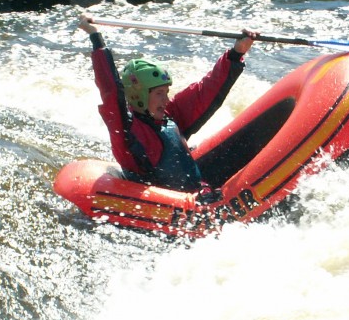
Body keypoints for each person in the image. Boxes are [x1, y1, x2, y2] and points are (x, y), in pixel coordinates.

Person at [78, 14, 257, 193]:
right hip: (160, 204)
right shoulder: (125, 130)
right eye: (159, 93)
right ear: (139, 95)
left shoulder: (169, 118)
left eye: (166, 92)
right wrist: (96, 37)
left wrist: (236, 53)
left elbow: (205, 92)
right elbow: (110, 88)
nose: (166, 99)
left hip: (197, 195)